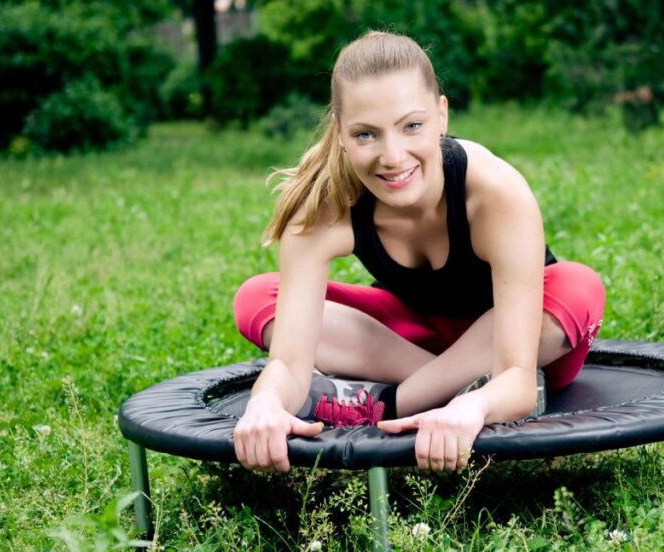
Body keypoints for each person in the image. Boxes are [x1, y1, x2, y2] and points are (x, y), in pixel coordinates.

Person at [232, 31, 604, 474]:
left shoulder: (494, 193)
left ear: (441, 116)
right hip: (412, 335)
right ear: (341, 134)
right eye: (366, 134)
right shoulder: (324, 208)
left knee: (578, 286)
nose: (392, 157)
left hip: (516, 339)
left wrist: (474, 408)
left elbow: (518, 381)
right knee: (259, 297)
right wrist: (265, 404)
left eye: (412, 126)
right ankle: (449, 386)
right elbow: (290, 365)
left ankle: (388, 403)